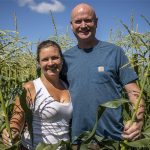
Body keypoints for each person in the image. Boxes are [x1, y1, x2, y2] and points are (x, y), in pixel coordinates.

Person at [61, 3, 145, 147]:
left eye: (88, 20)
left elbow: (134, 92)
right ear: (71, 25)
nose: (83, 25)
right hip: (77, 141)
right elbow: (49, 94)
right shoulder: (65, 59)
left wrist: (138, 121)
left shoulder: (115, 52)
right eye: (78, 21)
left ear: (96, 22)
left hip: (111, 140)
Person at [2, 40, 73, 150]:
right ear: (39, 63)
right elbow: (17, 117)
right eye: (45, 59)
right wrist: (12, 131)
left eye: (55, 57)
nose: (51, 63)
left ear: (61, 59)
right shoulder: (30, 88)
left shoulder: (67, 86)